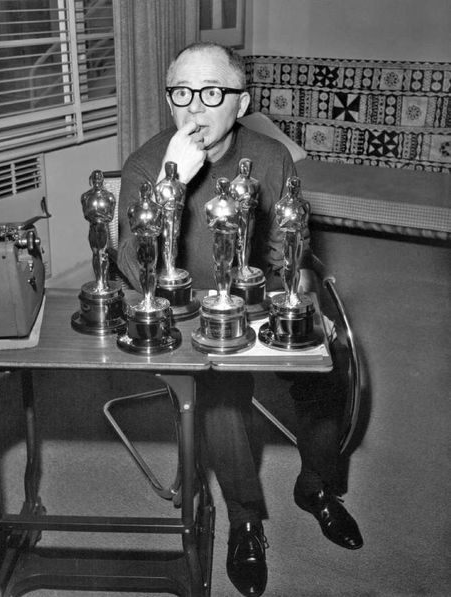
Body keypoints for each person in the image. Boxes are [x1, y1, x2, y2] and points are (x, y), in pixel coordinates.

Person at [117, 41, 363, 597]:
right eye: (181, 92)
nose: (194, 109)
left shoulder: (272, 159)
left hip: (258, 307)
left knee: (332, 370)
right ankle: (245, 519)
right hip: (187, 320)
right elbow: (136, 273)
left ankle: (316, 485)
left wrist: (302, 305)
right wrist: (171, 181)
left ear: (241, 101)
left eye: (211, 93)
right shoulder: (145, 164)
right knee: (222, 397)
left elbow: (288, 253)